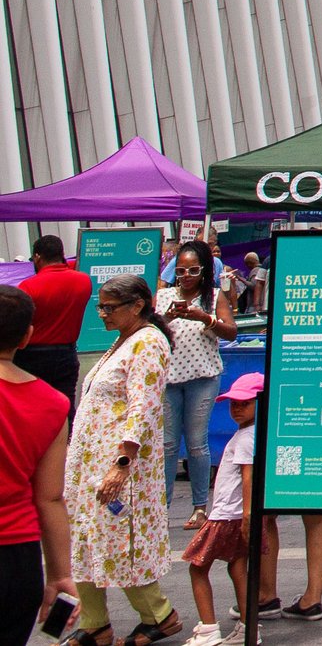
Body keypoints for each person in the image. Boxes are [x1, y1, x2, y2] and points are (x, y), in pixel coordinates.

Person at [65, 277, 180, 646]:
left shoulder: (148, 342)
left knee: (121, 543)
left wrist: (122, 462)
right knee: (86, 539)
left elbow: (143, 407)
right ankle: (94, 622)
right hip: (92, 466)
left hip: (120, 467)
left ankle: (159, 616)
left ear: (138, 305)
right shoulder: (124, 341)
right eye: (100, 306)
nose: (103, 314)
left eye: (110, 307)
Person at [0, 286, 71, 646]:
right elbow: (50, 498)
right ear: (27, 336)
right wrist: (60, 574)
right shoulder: (53, 403)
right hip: (19, 559)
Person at [179, 374, 273, 646]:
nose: (237, 409)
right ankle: (248, 627)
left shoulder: (246, 439)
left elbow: (248, 477)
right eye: (234, 404)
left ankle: (208, 629)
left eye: (245, 403)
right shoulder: (253, 434)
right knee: (238, 567)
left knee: (197, 568)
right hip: (237, 515)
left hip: (227, 516)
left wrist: (247, 514)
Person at [155, 242, 236, 534]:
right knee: (167, 445)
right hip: (169, 379)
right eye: (180, 271)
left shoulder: (213, 297)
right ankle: (160, 510)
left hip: (203, 377)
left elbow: (231, 331)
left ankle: (200, 507)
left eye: (192, 270)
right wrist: (168, 317)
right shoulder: (163, 296)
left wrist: (205, 318)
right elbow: (148, 330)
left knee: (196, 443)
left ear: (204, 270)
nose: (186, 276)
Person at [15, 239, 89, 410]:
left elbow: (18, 322)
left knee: (32, 406)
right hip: (67, 354)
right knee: (65, 405)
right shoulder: (84, 281)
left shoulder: (28, 286)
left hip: (31, 356)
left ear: (37, 257)